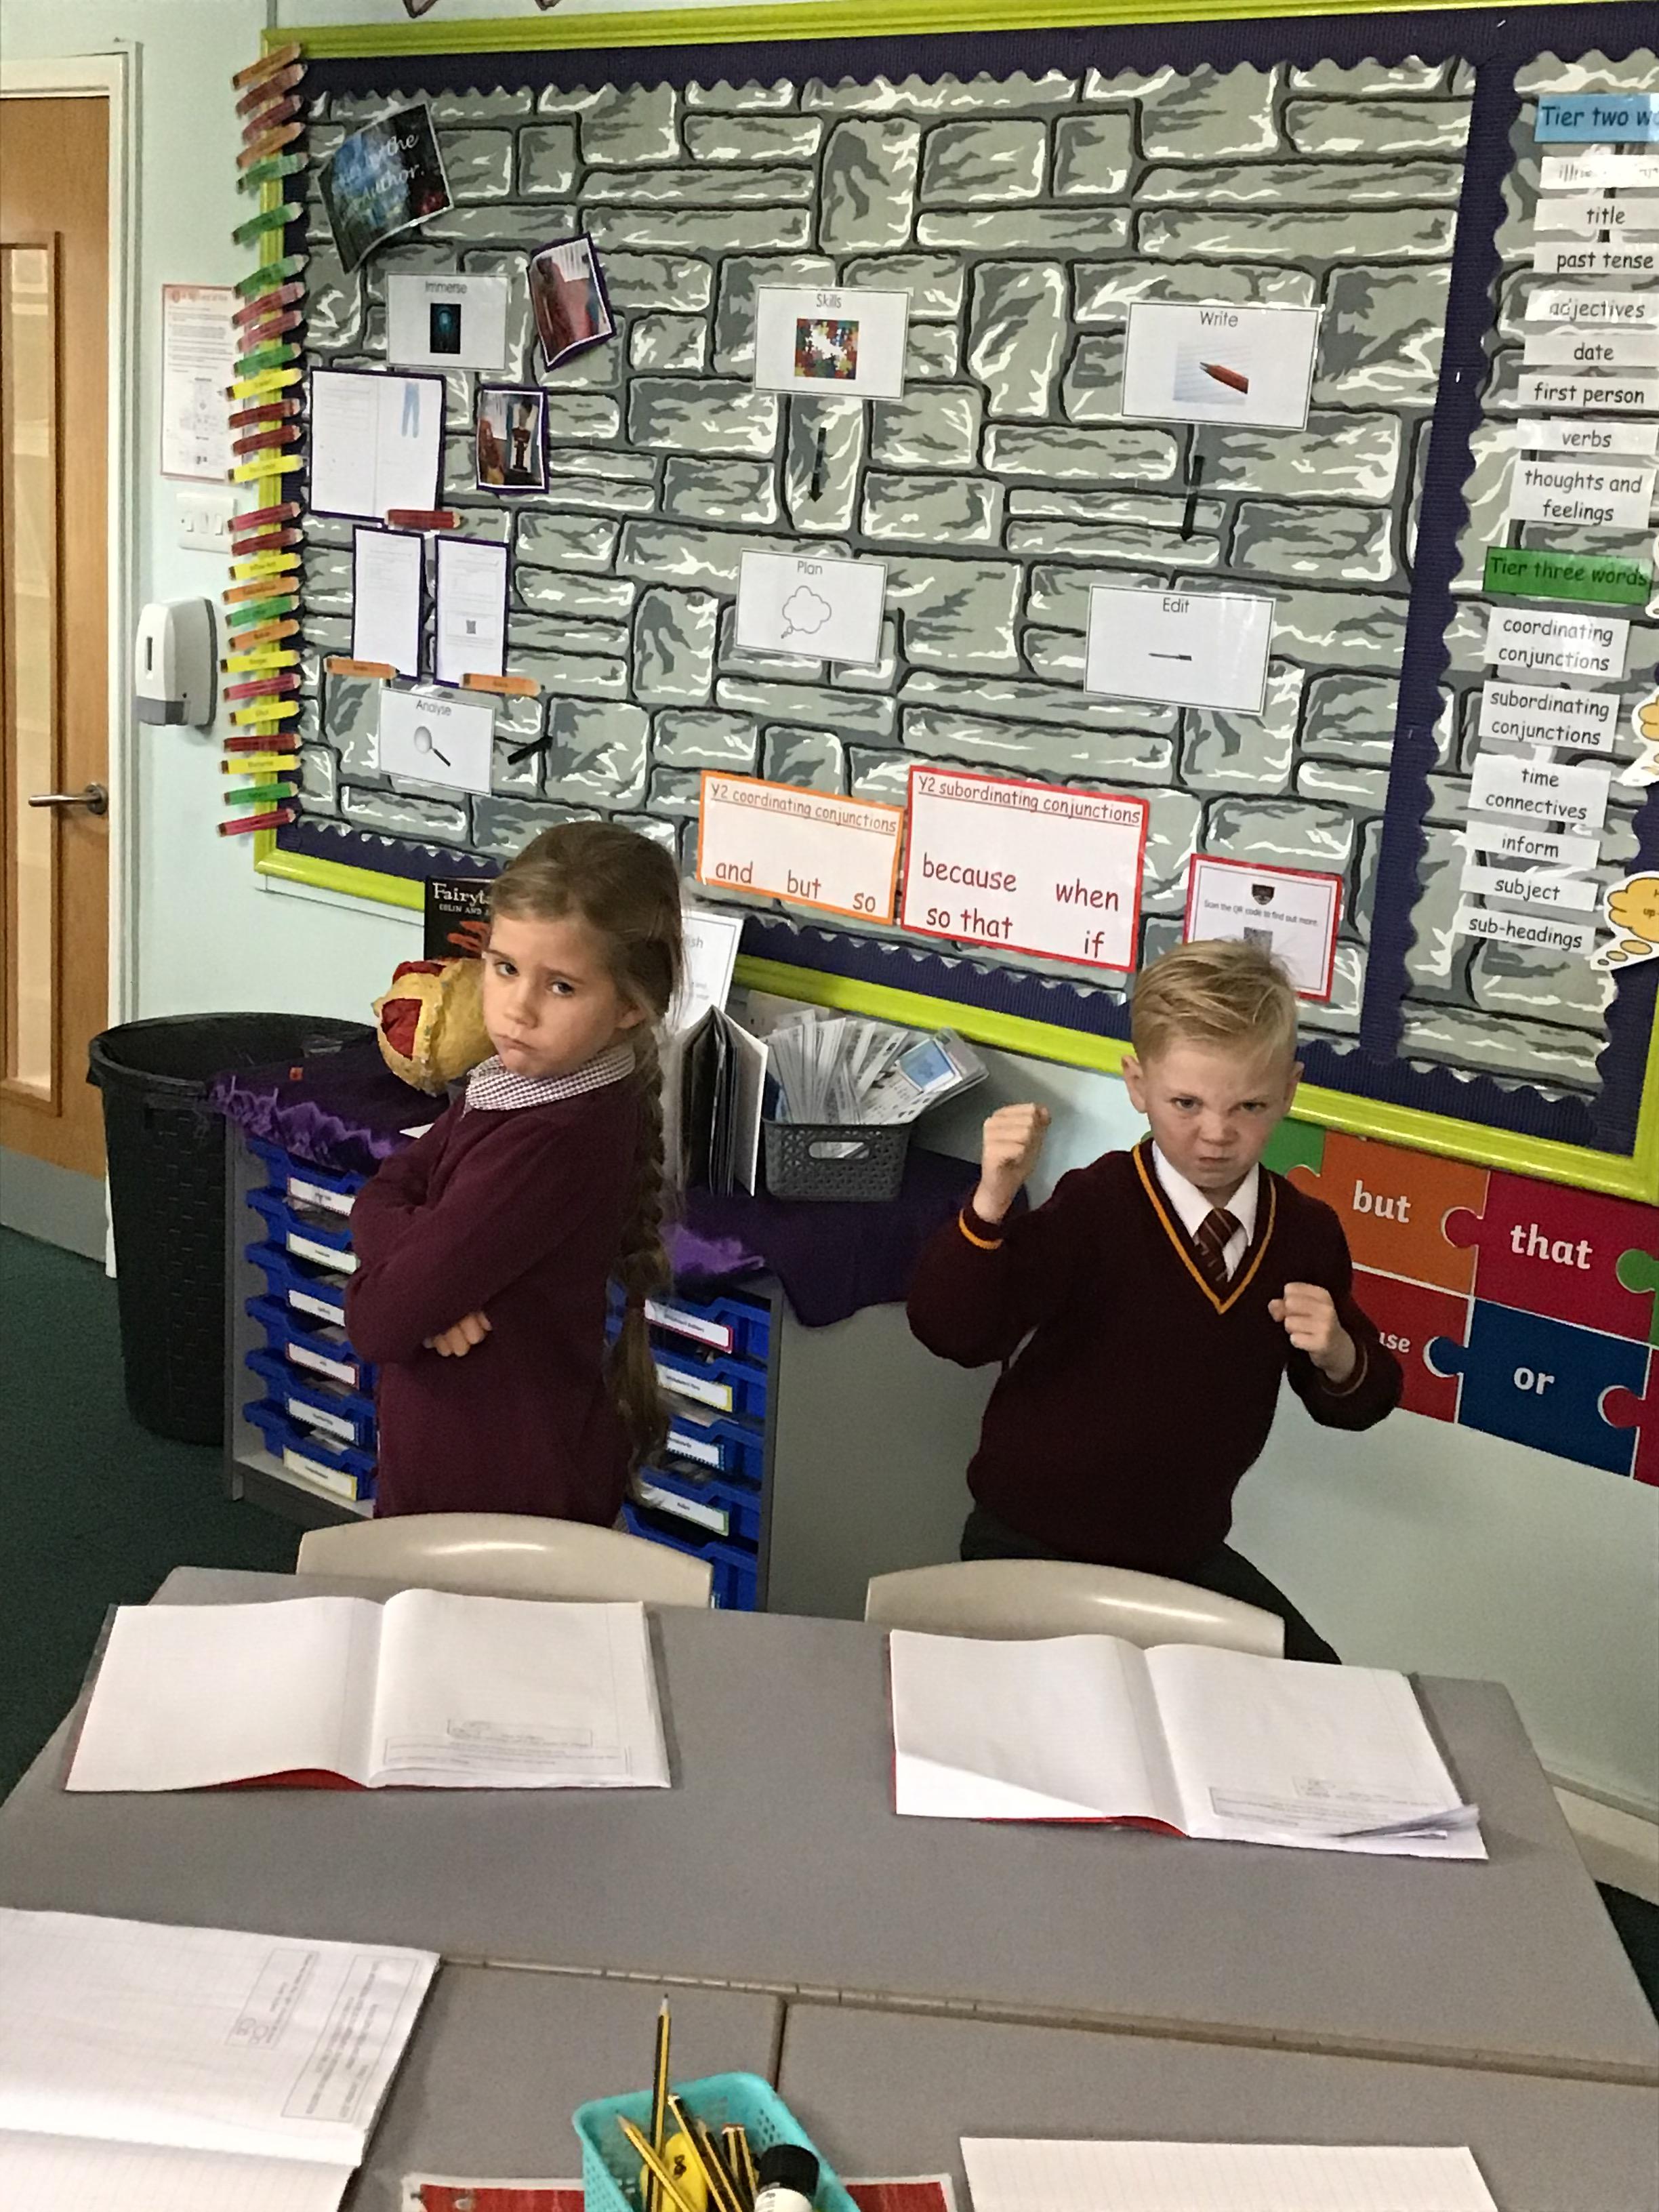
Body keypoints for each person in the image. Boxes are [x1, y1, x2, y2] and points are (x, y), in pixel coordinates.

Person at [905, 939, 1401, 1662]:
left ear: (1290, 1091)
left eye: (1250, 1106)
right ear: (1137, 1084)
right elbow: (954, 1331)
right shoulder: (1097, 1205)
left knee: (1322, 1680)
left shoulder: (1305, 1235)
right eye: (1186, 1103)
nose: (1217, 1134)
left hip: (1177, 1557)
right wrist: (991, 1201)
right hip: (1029, 1544)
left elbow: (1359, 1402)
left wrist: (1341, 1356)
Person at [346, 821, 684, 1521]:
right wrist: (424, 1287)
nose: (519, 1010)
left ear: (629, 1005)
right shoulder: (515, 1085)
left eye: (561, 986)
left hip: (494, 1485)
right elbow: (384, 1190)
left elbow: (376, 1323)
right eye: (504, 968)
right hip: (471, 1456)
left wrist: (408, 1291)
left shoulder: (551, 1142)